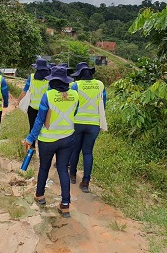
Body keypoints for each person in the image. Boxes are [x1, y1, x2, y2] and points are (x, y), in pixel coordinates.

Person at [23, 65, 79, 218]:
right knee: (62, 170)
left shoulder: (47, 95)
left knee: (44, 168)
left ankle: (40, 196)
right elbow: (74, 112)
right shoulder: (75, 94)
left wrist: (30, 138)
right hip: (67, 138)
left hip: (47, 140)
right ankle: (65, 205)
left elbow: (40, 120)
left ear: (52, 81)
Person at [69, 62, 106, 193]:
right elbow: (103, 103)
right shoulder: (100, 85)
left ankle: (72, 175)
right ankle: (85, 182)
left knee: (75, 149)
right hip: (94, 124)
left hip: (77, 122)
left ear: (79, 74)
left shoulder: (75, 85)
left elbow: (71, 104)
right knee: (88, 152)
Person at [16, 58, 50, 134]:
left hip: (32, 107)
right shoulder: (49, 80)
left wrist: (18, 101)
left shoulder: (31, 77)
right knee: (44, 127)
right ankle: (41, 144)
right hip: (44, 107)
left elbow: (24, 91)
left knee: (32, 127)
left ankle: (32, 145)